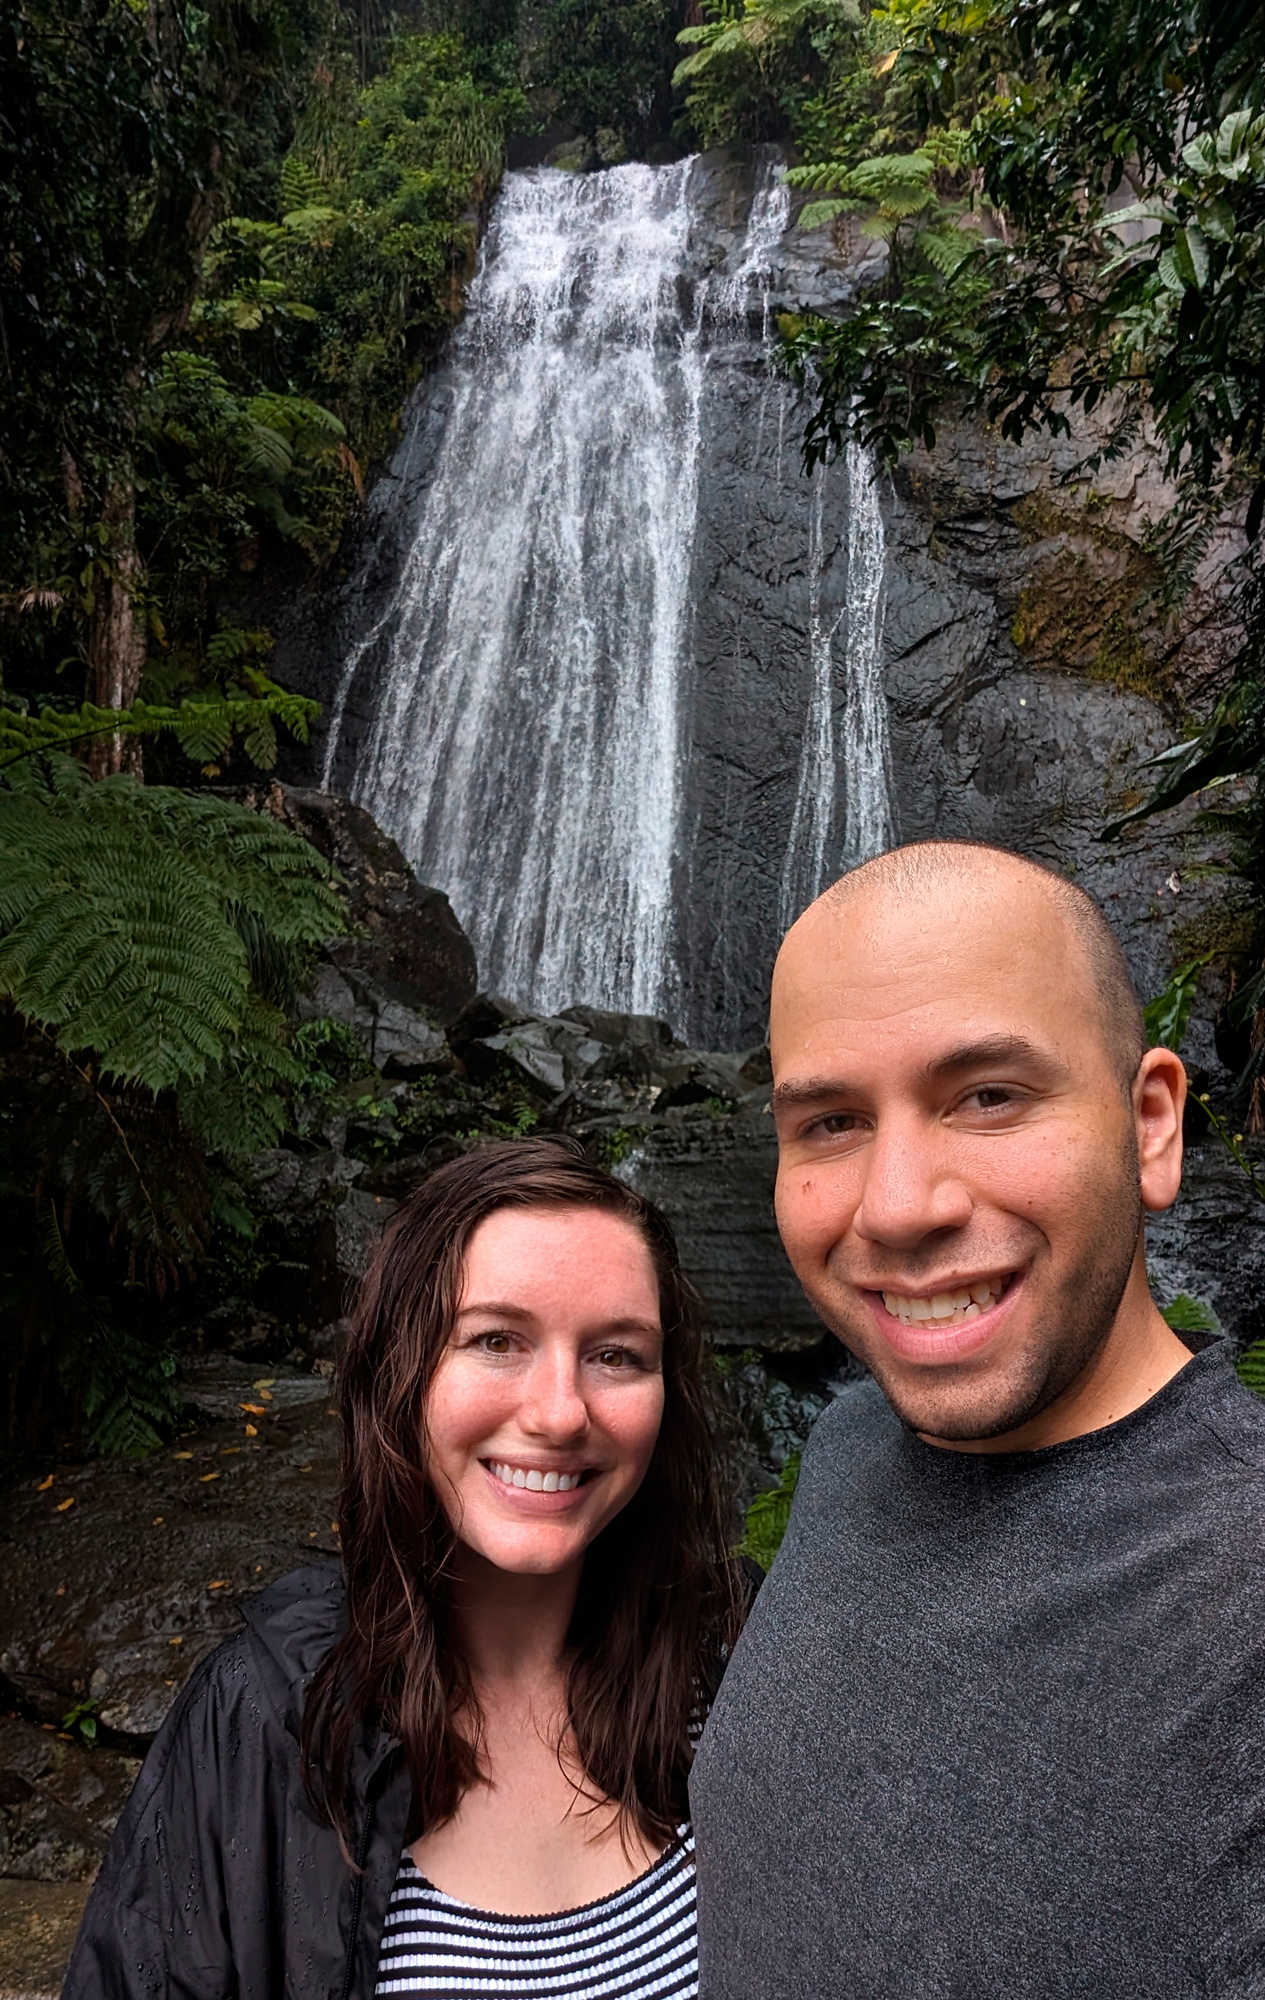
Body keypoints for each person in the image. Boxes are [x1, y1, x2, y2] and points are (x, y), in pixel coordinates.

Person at [691, 839, 1265, 1999]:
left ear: (1151, 1124)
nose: (898, 1206)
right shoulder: (850, 1444)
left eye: (987, 1095)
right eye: (830, 1122)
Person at [66, 1138, 740, 2000]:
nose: (561, 1413)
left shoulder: (733, 1664)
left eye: (616, 1355)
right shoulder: (267, 1722)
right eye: (497, 1340)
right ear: (401, 1371)